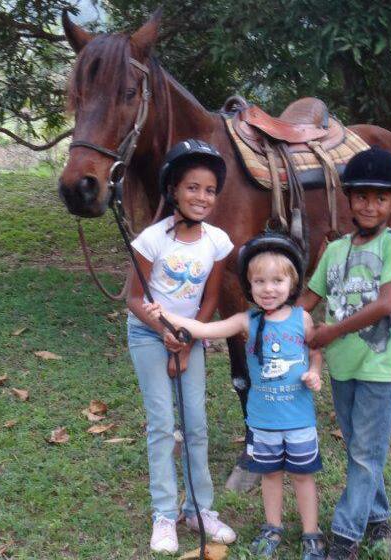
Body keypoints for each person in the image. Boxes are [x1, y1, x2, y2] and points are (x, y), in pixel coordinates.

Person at [145, 232, 328, 560]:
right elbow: (205, 330)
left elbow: (314, 350)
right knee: (270, 475)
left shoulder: (302, 318)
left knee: (303, 477)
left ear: (292, 283)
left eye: (277, 281)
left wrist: (314, 371)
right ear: (249, 285)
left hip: (299, 420)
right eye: (260, 281)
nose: (268, 289)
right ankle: (272, 527)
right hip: (263, 421)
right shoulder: (247, 320)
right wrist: (164, 315)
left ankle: (311, 533)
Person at [298, 147, 391, 560]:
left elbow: (385, 304)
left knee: (365, 452)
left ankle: (345, 537)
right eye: (362, 196)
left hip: (379, 363)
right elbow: (309, 300)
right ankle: (379, 518)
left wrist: (330, 332)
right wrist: (271, 321)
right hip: (342, 366)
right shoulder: (334, 251)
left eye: (381, 198)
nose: (370, 205)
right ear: (349, 199)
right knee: (359, 448)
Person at [126, 139, 237, 554]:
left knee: (195, 424)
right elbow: (134, 298)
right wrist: (163, 332)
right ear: (173, 189)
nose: (202, 197)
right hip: (148, 335)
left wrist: (189, 340)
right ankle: (164, 514)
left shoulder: (217, 241)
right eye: (192, 187)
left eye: (210, 190)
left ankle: (199, 510)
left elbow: (211, 297)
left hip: (191, 337)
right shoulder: (152, 240)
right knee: (161, 424)